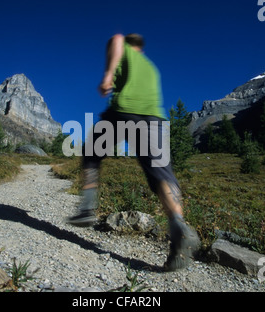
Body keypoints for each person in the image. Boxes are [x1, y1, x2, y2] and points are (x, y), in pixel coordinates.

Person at [67, 33, 200, 271]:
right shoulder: (151, 68)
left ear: (130, 45)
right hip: (155, 120)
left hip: (124, 112)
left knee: (92, 151)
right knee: (162, 175)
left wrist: (107, 76)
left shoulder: (123, 49)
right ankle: (179, 226)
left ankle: (87, 208)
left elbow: (116, 38)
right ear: (143, 49)